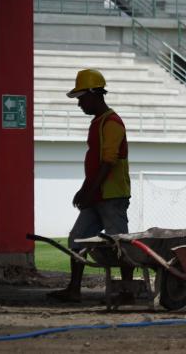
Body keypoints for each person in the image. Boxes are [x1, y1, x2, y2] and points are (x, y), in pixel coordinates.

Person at [48, 69, 133, 303]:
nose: (79, 104)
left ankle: (127, 292)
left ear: (95, 94)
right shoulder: (99, 122)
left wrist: (89, 191)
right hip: (98, 196)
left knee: (120, 243)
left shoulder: (112, 123)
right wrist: (85, 190)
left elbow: (108, 162)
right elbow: (97, 165)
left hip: (112, 196)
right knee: (77, 238)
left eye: (81, 98)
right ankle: (74, 289)